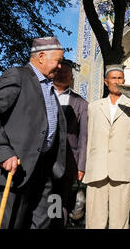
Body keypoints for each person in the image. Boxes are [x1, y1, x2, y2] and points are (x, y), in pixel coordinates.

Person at [0, 37, 67, 229]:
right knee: (10, 223)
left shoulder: (48, 87)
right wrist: (4, 152)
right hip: (15, 167)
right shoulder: (17, 76)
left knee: (42, 222)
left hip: (43, 169)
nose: (60, 67)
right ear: (42, 57)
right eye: (58, 61)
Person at [82, 64, 130, 229]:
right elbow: (88, 138)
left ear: (124, 81)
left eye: (120, 78)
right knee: (94, 218)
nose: (117, 81)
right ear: (106, 81)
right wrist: (85, 167)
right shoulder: (94, 107)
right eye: (113, 78)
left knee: (120, 219)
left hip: (123, 169)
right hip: (97, 169)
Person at [52, 59, 88, 228]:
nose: (62, 75)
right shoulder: (42, 96)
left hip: (67, 162)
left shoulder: (81, 104)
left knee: (59, 201)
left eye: (66, 72)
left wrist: (80, 167)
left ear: (72, 77)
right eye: (59, 71)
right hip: (40, 160)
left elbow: (84, 137)